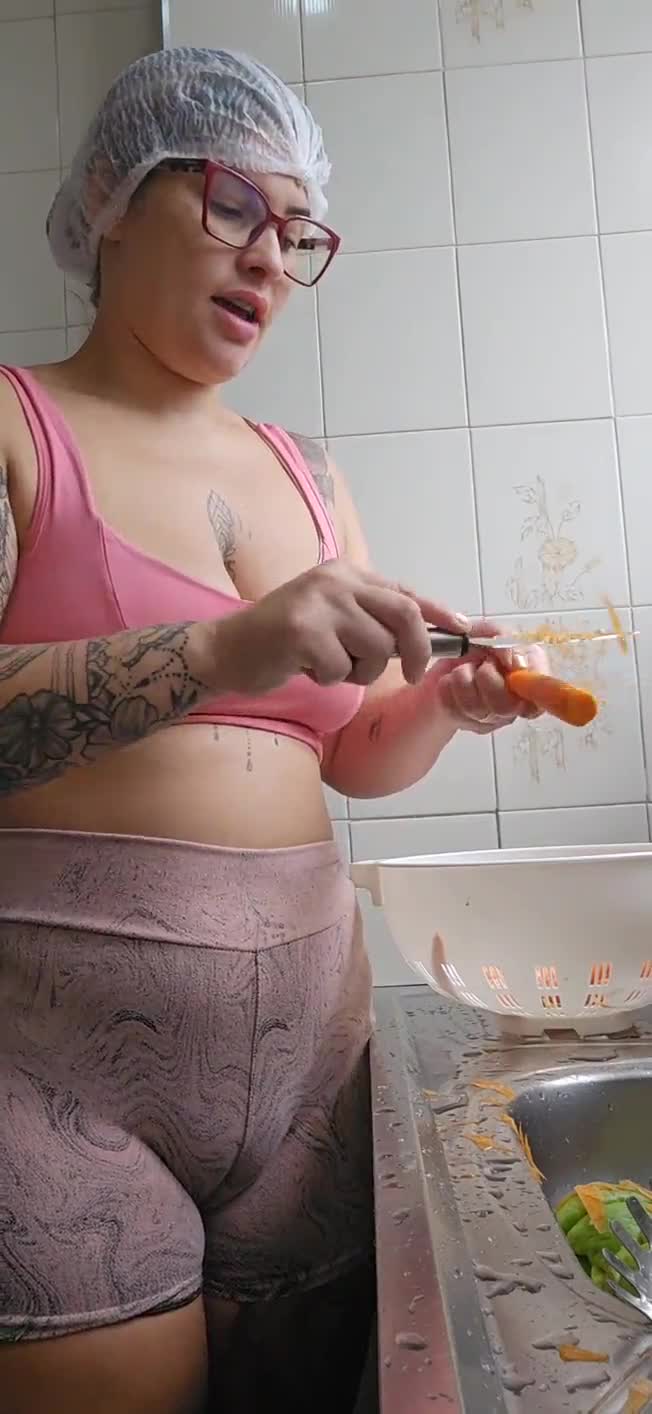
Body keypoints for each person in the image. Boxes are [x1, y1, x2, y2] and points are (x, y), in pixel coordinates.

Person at [0, 46, 547, 1414]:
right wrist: (222, 647)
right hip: (50, 1083)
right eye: (232, 203)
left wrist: (439, 703)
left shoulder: (309, 476)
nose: (268, 258)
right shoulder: (17, 425)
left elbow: (350, 749)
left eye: (298, 234)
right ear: (112, 198)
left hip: (308, 1072)